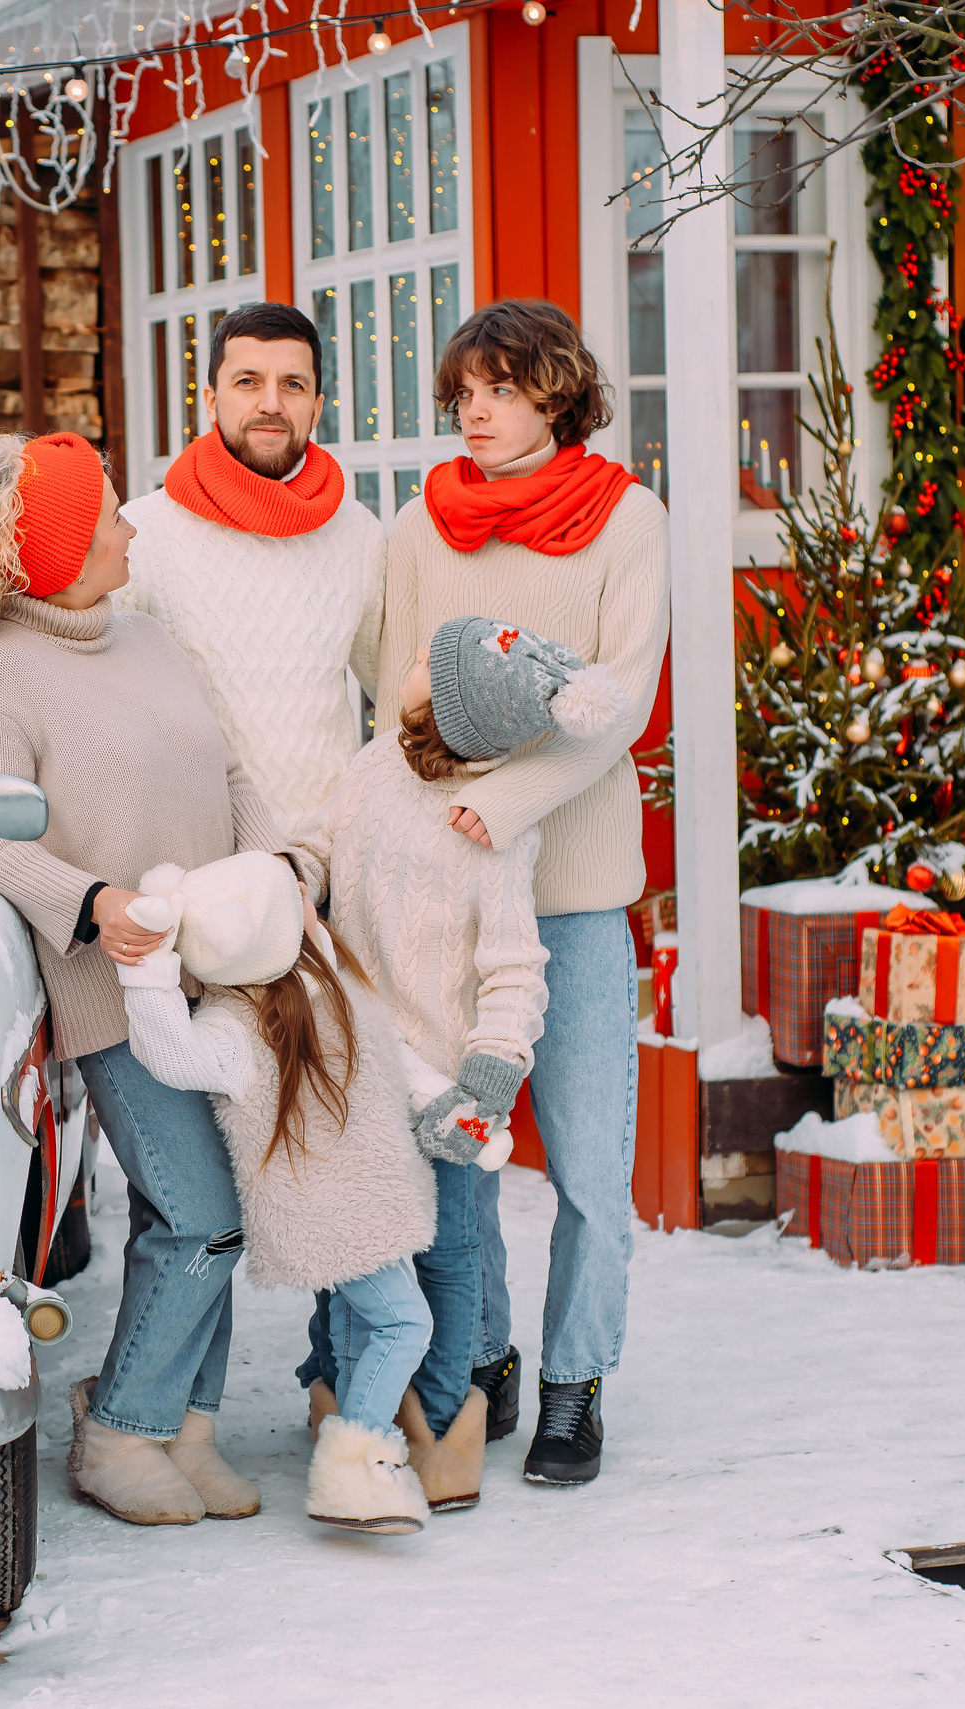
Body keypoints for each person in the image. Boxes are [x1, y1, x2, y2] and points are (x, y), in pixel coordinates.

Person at [0, 431, 286, 1527]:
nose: (130, 529)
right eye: (113, 516)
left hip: (223, 965)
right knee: (200, 1214)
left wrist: (280, 868)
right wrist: (94, 903)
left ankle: (190, 1425)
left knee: (225, 1208)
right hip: (116, 985)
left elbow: (227, 772)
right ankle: (122, 1424)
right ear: (63, 544)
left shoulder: (148, 640)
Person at [374, 300, 669, 1487]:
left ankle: (572, 1383)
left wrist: (507, 803)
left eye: (498, 387)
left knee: (592, 1165)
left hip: (579, 890)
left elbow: (621, 703)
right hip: (447, 886)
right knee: (460, 1149)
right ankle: (483, 1353)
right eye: (462, 393)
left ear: (556, 390)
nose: (475, 410)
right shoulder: (417, 527)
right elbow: (402, 696)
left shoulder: (626, 518)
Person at [291, 617, 631, 1509]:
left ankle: (439, 1426)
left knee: (446, 1251)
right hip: (355, 1067)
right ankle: (338, 1393)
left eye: (421, 666)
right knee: (352, 1242)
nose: (404, 665)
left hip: (439, 1084)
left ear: (446, 707)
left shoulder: (493, 830)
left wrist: (485, 1081)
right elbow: (324, 839)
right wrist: (295, 871)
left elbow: (516, 969)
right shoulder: (372, 771)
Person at [115, 852, 434, 1535]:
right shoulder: (237, 1026)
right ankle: (355, 1470)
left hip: (365, 1199)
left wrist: (453, 1110)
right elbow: (171, 1054)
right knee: (404, 1323)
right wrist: (146, 970)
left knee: (380, 1326)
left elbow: (391, 1055)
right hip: (332, 1212)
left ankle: (356, 1457)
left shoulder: (321, 981)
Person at [116, 302, 386, 825]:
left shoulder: (357, 533)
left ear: (317, 406)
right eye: (248, 381)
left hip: (332, 851)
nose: (271, 403)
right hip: (200, 855)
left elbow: (395, 690)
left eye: (292, 385)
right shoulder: (141, 532)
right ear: (212, 403)